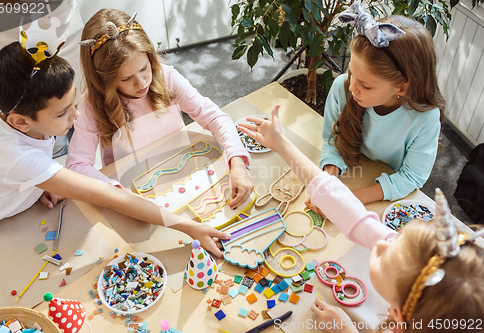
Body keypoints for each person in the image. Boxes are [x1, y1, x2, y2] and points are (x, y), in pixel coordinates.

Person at [237, 104, 484, 333]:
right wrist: (281, 144)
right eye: (398, 238)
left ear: (397, 317)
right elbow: (344, 206)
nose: (384, 241)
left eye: (386, 257)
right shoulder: (411, 267)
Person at [0, 41, 229, 257]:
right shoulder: (19, 158)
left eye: (73, 103)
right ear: (20, 121)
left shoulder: (15, 114)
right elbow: (115, 198)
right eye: (62, 113)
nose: (77, 114)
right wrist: (188, 227)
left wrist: (36, 183)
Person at [66, 9, 253, 209]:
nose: (141, 83)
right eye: (126, 78)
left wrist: (237, 162)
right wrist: (116, 191)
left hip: (184, 171)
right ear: (102, 80)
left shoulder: (167, 76)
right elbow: (76, 166)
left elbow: (215, 117)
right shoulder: (91, 104)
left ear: (151, 58)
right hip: (133, 188)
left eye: (144, 68)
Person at [306, 3, 445, 215]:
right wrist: (329, 181)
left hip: (386, 196)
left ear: (402, 87)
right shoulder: (342, 87)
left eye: (366, 85)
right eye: (351, 72)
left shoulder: (426, 118)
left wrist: (351, 200)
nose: (352, 87)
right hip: (355, 170)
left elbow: (412, 176)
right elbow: (332, 141)